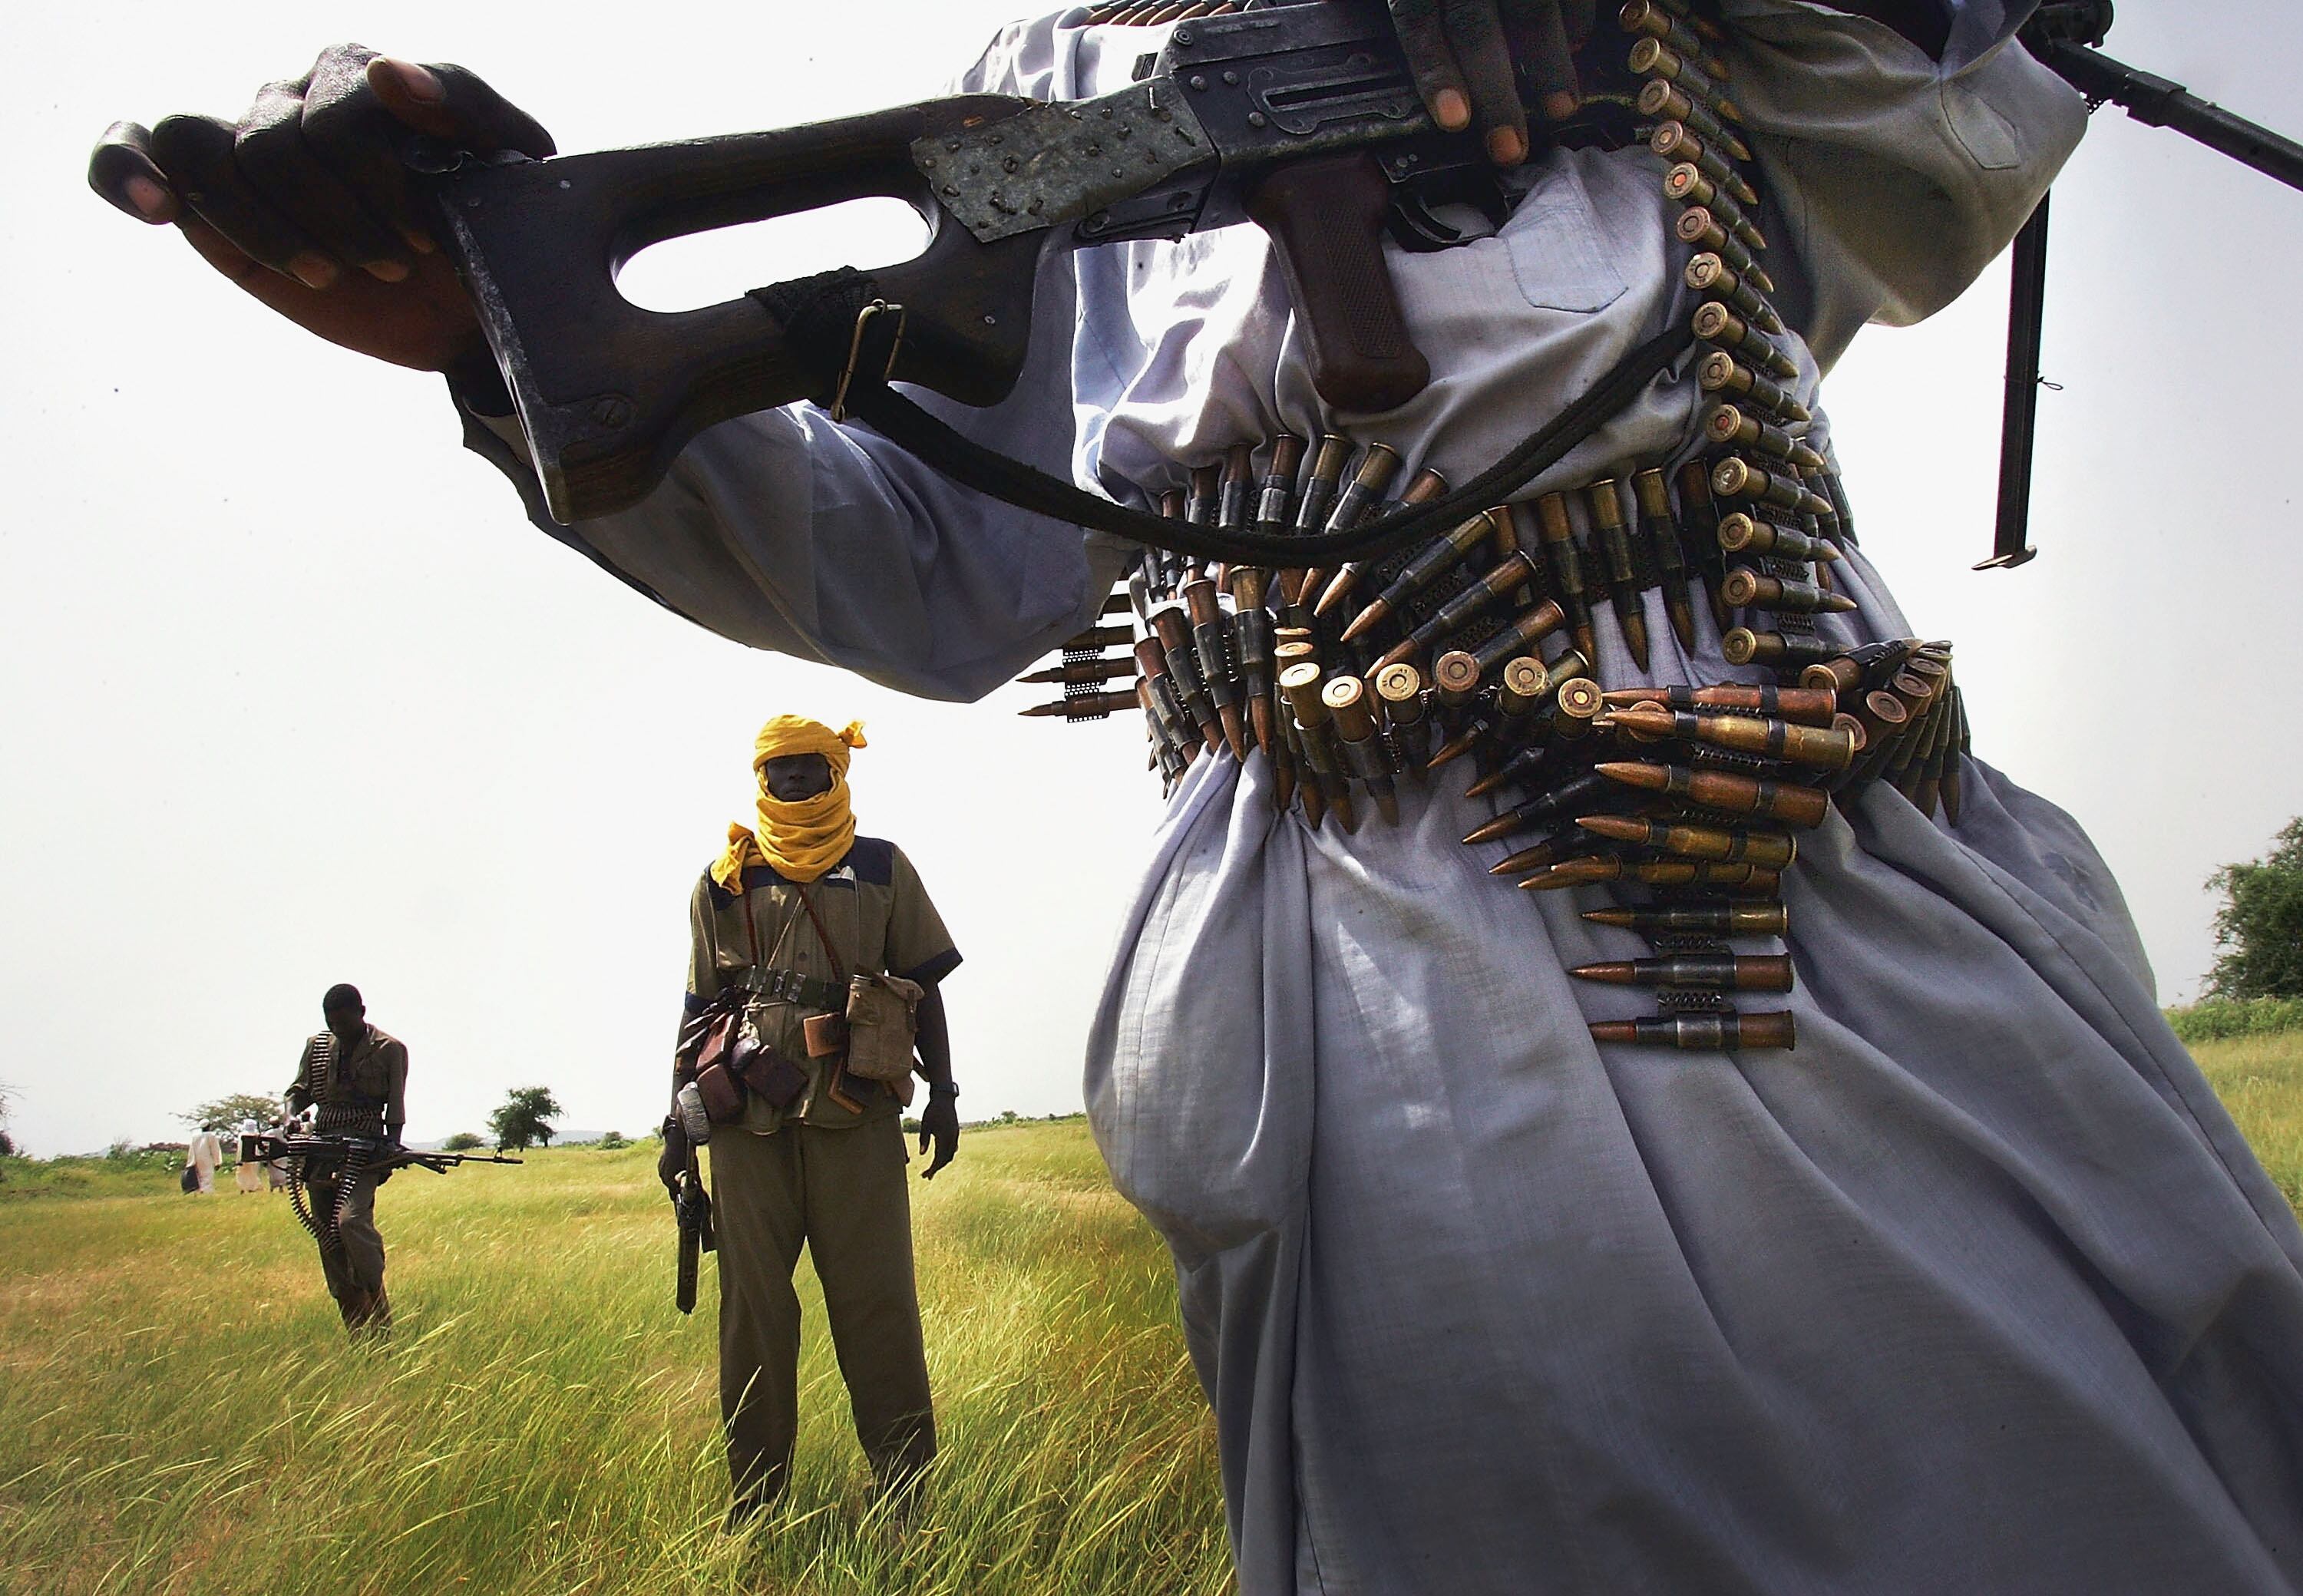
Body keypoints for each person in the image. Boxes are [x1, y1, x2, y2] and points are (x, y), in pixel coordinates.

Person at [87, 3, 2303, 1590]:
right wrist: (491, 316)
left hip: (1821, 852)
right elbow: (940, 559)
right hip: (1367, 930)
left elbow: (1959, 105)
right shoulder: (1064, 81)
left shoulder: (1718, 33)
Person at [659, 714, 963, 1522]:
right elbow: (698, 1006)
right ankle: (755, 1504)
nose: (793, 782)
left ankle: (905, 1497)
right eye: (779, 769)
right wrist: (673, 1124)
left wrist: (946, 1092)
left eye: (809, 768)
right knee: (753, 1311)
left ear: (838, 772)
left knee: (878, 1302)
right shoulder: (725, 874)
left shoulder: (881, 866)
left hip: (856, 1109)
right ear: (761, 777)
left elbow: (924, 986)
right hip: (744, 1121)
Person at [283, 983, 407, 1336]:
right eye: (330, 1022)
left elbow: (395, 1108)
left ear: (361, 1013)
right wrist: (291, 1115)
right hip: (322, 1149)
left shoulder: (389, 1049)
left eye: (343, 1022)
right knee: (328, 1236)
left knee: (350, 1222)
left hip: (363, 1149)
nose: (336, 1029)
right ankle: (357, 1326)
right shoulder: (317, 1047)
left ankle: (371, 1286)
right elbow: (299, 1093)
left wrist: (389, 1152)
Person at [183, 1127, 223, 1195]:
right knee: (208, 1176)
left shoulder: (195, 1136)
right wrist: (217, 1162)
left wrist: (190, 1162)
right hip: (207, 1159)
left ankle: (199, 1192)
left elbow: (191, 1150)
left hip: (196, 1159)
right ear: (209, 1126)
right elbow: (215, 1149)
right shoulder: (212, 1135)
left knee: (199, 1177)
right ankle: (206, 1193)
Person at [233, 1119, 266, 1193]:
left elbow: (239, 1149)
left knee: (242, 1173)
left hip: (243, 1157)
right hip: (254, 1157)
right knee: (253, 1173)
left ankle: (243, 1187)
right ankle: (253, 1187)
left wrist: (238, 1159)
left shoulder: (241, 1135)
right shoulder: (256, 1134)